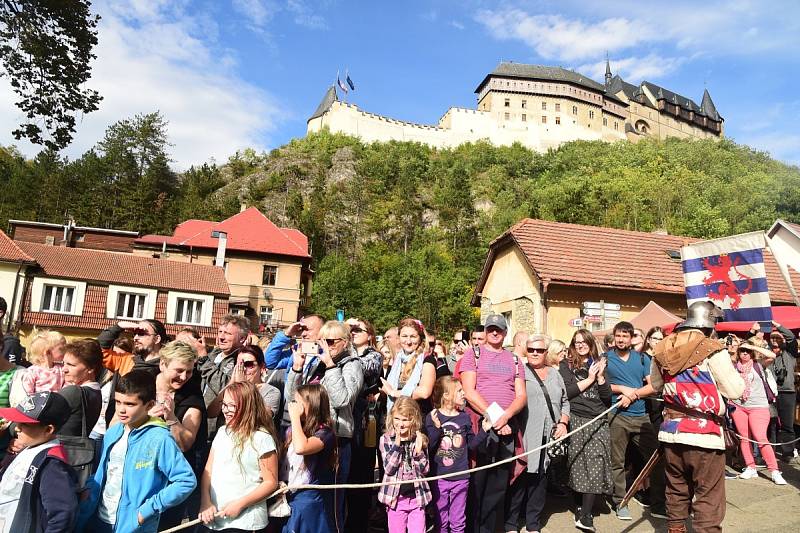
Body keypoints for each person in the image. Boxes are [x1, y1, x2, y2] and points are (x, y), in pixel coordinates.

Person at [650, 301, 747, 533]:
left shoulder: (662, 348)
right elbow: (735, 390)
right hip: (704, 435)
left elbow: (655, 384)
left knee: (676, 489)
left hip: (671, 433)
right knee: (709, 496)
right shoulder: (712, 348)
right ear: (709, 323)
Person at [80, 370, 196, 533]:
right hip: (98, 519)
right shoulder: (113, 432)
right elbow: (105, 472)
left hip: (133, 526)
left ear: (149, 405)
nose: (121, 409)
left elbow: (186, 481)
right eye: (118, 402)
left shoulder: (160, 439)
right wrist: (89, 489)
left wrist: (146, 511)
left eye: (130, 404)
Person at [286, 320, 364, 532]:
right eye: (322, 340)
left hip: (336, 439)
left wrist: (330, 366)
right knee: (313, 497)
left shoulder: (352, 364)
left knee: (332, 500)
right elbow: (293, 399)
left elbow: (342, 400)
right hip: (310, 436)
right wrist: (297, 368)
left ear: (345, 342)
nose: (326, 345)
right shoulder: (317, 362)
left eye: (331, 341)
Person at [460, 314, 526, 533]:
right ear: (486, 332)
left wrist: (505, 417)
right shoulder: (473, 355)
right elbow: (469, 392)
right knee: (476, 481)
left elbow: (521, 396)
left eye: (499, 329)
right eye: (490, 329)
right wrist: (497, 417)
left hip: (507, 426)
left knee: (498, 485)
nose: (494, 333)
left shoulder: (515, 360)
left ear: (505, 332)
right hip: (482, 426)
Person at [505, 334, 570, 533]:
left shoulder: (555, 374)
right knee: (521, 478)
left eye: (539, 350)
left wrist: (564, 422)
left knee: (540, 480)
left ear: (545, 352)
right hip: (525, 435)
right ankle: (511, 523)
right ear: (526, 350)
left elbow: (565, 401)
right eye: (531, 349)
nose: (535, 353)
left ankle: (533, 523)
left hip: (549, 436)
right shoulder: (520, 372)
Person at [604, 320, 666, 521]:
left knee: (656, 459)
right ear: (614, 337)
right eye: (618, 335)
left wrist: (634, 395)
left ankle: (658, 504)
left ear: (631, 338)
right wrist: (621, 389)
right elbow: (601, 387)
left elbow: (654, 386)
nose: (621, 339)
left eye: (625, 335)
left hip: (641, 416)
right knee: (617, 462)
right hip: (617, 416)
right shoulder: (605, 358)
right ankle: (620, 502)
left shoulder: (641, 359)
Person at [199, 381, 279, 533]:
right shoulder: (223, 432)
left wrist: (240, 504)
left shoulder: (262, 438)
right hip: (215, 519)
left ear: (248, 407)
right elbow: (208, 470)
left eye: (232, 406)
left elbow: (270, 482)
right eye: (224, 404)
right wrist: (205, 502)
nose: (226, 410)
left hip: (245, 522)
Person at [0, 391, 77, 532]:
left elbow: (62, 514)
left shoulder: (51, 463)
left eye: (24, 424)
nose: (17, 428)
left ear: (48, 429)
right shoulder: (29, 447)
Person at [151, 340, 208, 529]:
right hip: (142, 471)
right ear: (162, 364)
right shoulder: (142, 384)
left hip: (171, 478)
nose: (184, 377)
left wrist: (170, 416)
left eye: (189, 371)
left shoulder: (192, 396)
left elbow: (185, 443)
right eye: (179, 370)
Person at [561, 329, 612, 532]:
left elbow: (607, 397)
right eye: (577, 342)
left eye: (584, 342)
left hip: (598, 419)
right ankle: (581, 505)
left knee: (596, 462)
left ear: (591, 344)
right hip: (577, 418)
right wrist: (590, 379)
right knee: (576, 464)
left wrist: (600, 378)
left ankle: (586, 515)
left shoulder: (598, 363)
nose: (581, 345)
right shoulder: (566, 365)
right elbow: (568, 392)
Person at [425, 376, 490, 533]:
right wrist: (437, 428)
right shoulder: (433, 416)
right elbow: (430, 446)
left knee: (458, 521)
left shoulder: (464, 417)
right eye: (459, 390)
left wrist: (484, 431)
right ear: (446, 395)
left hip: (461, 477)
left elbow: (471, 445)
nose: (464, 393)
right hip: (439, 477)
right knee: (441, 520)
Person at [344, 317, 383, 533]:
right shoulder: (347, 352)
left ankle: (358, 525)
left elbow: (361, 369)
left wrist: (345, 347)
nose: (354, 331)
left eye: (359, 329)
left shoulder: (373, 356)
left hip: (363, 422)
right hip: (346, 420)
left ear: (370, 335)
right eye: (351, 329)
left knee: (360, 473)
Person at [282, 383, 336, 533]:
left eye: (298, 403)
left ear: (312, 405)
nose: (294, 406)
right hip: (288, 496)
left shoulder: (325, 433)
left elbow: (301, 448)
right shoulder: (291, 430)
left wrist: (294, 418)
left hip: (309, 500)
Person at [730, 342, 785, 484]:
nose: (745, 353)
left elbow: (772, 355)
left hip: (758, 407)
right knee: (744, 438)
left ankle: (774, 470)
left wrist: (752, 346)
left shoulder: (758, 364)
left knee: (760, 438)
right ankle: (750, 467)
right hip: (738, 405)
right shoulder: (734, 367)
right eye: (742, 350)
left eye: (747, 351)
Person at [379, 396, 430, 533]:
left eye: (405, 420)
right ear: (391, 417)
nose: (400, 424)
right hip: (396, 500)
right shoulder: (386, 439)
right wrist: (397, 444)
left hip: (416, 499)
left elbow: (425, 470)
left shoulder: (419, 438)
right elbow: (389, 469)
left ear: (413, 420)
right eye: (397, 419)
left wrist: (419, 451)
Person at [380, 318, 436, 414]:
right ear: (399, 337)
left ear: (420, 338)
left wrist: (395, 393)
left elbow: (424, 392)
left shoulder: (427, 360)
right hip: (396, 416)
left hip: (417, 416)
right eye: (404, 336)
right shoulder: (397, 360)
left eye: (413, 336)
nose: (408, 341)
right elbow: (389, 387)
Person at [208, 345, 281, 418]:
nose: (244, 369)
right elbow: (211, 413)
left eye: (248, 364)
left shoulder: (271, 391)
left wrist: (243, 388)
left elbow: (264, 417)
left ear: (262, 366)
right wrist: (231, 383)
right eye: (239, 365)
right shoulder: (231, 387)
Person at [199, 314, 250, 409]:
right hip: (199, 416)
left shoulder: (242, 360)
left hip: (218, 420)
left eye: (227, 333)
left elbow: (224, 387)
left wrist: (204, 360)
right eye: (220, 332)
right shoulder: (212, 354)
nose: (221, 337)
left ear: (242, 338)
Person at [765, 320, 798, 462]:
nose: (775, 340)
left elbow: (791, 337)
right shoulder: (765, 353)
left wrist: (777, 326)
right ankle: (769, 453)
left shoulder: (789, 352)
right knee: (769, 424)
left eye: (778, 337)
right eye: (772, 337)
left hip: (787, 393)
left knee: (787, 425)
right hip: (769, 393)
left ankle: (787, 453)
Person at [58, 339, 103, 437]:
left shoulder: (74, 392)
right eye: (63, 363)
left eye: (71, 365)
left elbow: (39, 416)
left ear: (91, 368)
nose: (64, 369)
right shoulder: (96, 391)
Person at [19, 328, 65, 395]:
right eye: (62, 349)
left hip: (58, 403)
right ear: (48, 352)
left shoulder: (61, 368)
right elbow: (27, 393)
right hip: (38, 404)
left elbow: (67, 385)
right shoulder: (32, 372)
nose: (66, 351)